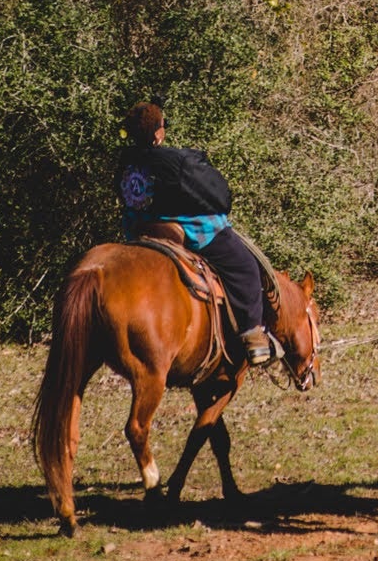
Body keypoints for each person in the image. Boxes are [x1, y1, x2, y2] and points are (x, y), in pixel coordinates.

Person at [116, 102, 272, 369]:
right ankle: (252, 334)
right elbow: (218, 197)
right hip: (182, 230)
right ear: (158, 134)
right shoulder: (177, 161)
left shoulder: (123, 162)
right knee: (245, 267)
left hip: (138, 229)